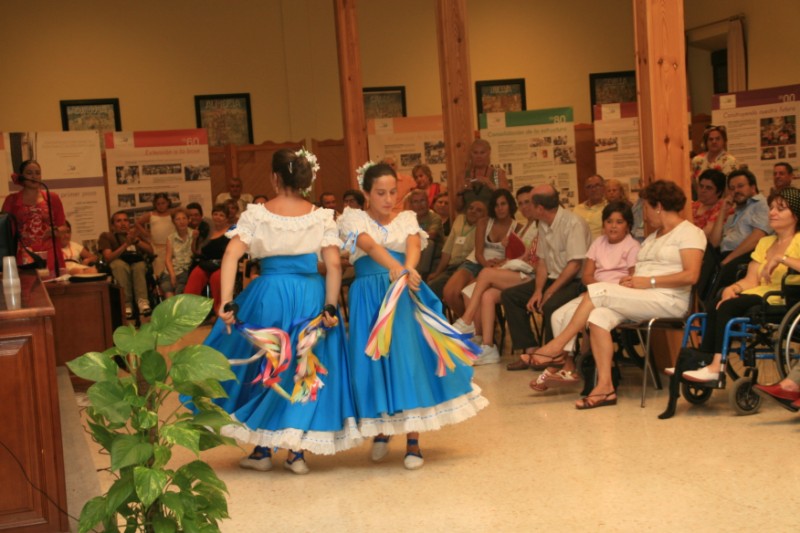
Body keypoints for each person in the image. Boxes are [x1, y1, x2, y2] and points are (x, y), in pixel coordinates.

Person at [209, 148, 359, 474]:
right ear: (306, 181)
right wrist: (330, 306)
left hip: (269, 294)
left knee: (269, 365)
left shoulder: (257, 214)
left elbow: (231, 255)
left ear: (274, 178)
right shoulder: (321, 216)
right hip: (309, 294)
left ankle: (263, 451)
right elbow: (333, 264)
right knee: (303, 368)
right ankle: (296, 454)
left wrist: (226, 301)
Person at [338, 162, 487, 470]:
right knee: (373, 362)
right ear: (366, 193)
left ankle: (413, 440)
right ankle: (381, 429)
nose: (388, 199)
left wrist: (408, 268)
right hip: (369, 295)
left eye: (393, 192)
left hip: (402, 291)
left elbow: (413, 245)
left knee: (407, 359)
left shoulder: (406, 218)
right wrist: (396, 267)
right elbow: (367, 244)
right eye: (380, 193)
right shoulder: (352, 217)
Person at [530, 180, 705, 409]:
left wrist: (647, 281)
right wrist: (632, 282)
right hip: (644, 296)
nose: (645, 213)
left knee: (599, 291)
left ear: (658, 206)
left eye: (646, 207)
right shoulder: (653, 237)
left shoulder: (690, 233)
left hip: (669, 300)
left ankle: (556, 348)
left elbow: (691, 276)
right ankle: (605, 388)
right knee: (598, 316)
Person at [680, 188, 800, 386]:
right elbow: (751, 280)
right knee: (716, 303)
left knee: (729, 307)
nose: (772, 213)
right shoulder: (765, 242)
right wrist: (734, 287)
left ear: (795, 214)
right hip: (759, 293)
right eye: (771, 208)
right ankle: (702, 361)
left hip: (784, 297)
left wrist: (782, 258)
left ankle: (717, 366)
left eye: (780, 209)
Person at [530, 202, 640, 391]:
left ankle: (562, 365)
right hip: (593, 292)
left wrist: (605, 291)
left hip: (616, 296)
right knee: (558, 314)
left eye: (619, 222)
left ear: (628, 225)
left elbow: (632, 278)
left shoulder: (632, 246)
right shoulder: (598, 243)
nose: (613, 226)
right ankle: (567, 364)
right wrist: (596, 289)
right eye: (609, 221)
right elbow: (588, 275)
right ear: (603, 224)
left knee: (573, 316)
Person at [502, 185, 592, 369]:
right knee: (510, 296)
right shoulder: (543, 224)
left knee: (551, 304)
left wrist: (549, 291)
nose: (526, 208)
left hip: (575, 282)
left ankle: (552, 356)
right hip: (553, 277)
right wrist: (538, 290)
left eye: (530, 204)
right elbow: (542, 261)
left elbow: (574, 265)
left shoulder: (574, 223)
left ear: (540, 208)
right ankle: (531, 350)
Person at [452, 186, 539, 365]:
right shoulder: (524, 228)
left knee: (485, 274)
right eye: (521, 203)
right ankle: (488, 346)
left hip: (531, 276)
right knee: (486, 295)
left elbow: (537, 259)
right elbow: (519, 255)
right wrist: (506, 258)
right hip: (517, 271)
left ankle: (466, 320)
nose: (524, 207)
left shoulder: (540, 225)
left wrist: (510, 261)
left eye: (527, 202)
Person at [443, 190, 515, 318]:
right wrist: (486, 265)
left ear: (510, 205)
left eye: (503, 204)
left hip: (497, 268)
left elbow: (514, 256)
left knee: (469, 293)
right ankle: (471, 326)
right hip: (475, 262)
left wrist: (499, 264)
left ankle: (476, 328)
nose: (500, 208)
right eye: (496, 205)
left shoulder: (517, 227)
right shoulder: (484, 222)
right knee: (450, 293)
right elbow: (478, 253)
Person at [706, 168, 771, 295]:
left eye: (740, 186)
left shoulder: (761, 204)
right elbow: (714, 242)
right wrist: (723, 211)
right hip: (724, 255)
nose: (736, 191)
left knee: (716, 282)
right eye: (732, 188)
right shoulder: (735, 213)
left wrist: (727, 260)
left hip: (747, 255)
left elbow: (758, 237)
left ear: (753, 187)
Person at [3, 160, 66, 274]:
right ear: (22, 176)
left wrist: (54, 230)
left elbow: (63, 227)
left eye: (37, 173)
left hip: (50, 253)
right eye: (29, 173)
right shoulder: (11, 200)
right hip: (24, 254)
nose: (34, 176)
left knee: (53, 288)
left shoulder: (52, 197)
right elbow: (4, 232)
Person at [427, 200, 487, 300]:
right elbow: (447, 250)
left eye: (478, 210)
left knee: (444, 289)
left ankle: (464, 315)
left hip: (470, 268)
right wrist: (437, 272)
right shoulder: (459, 220)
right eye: (471, 208)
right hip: (452, 267)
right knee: (431, 286)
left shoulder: (485, 227)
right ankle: (440, 315)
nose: (473, 211)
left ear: (485, 215)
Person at [98, 211, 154, 318]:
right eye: (118, 221)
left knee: (139, 265)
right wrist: (126, 244)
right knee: (119, 265)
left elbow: (151, 251)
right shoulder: (107, 236)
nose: (123, 223)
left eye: (125, 220)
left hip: (136, 264)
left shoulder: (135, 235)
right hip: (119, 265)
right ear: (113, 226)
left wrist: (136, 241)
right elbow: (108, 257)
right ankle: (126, 303)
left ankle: (142, 302)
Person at [184, 204, 231, 317]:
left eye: (221, 215)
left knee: (216, 278)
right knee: (195, 275)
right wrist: (195, 239)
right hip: (207, 263)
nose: (217, 217)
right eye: (215, 214)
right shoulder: (207, 230)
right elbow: (197, 251)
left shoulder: (232, 231)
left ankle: (219, 311)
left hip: (224, 265)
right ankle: (186, 312)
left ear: (226, 218)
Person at [135, 192, 175, 277]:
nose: (161, 206)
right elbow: (138, 223)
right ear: (155, 205)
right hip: (157, 247)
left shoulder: (172, 213)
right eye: (158, 204)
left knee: (172, 270)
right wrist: (145, 233)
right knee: (159, 271)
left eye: (163, 203)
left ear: (168, 203)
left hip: (171, 246)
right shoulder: (151, 214)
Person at [462, 139, 510, 208]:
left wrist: (490, 185)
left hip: (491, 217)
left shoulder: (498, 174)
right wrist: (461, 191)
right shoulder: (463, 175)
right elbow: (458, 206)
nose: (479, 156)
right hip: (470, 217)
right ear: (471, 154)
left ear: (489, 153)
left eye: (482, 153)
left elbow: (507, 199)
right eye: (475, 153)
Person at [158, 208, 193, 298]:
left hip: (187, 270)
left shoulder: (194, 234)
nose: (181, 222)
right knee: (166, 286)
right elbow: (168, 259)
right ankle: (171, 311)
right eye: (178, 219)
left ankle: (178, 308)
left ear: (189, 220)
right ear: (173, 222)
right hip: (172, 269)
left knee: (180, 288)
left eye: (184, 218)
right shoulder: (171, 238)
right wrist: (172, 274)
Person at [692, 168, 727, 238]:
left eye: (709, 188)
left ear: (719, 192)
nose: (703, 190)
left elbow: (704, 235)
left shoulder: (721, 209)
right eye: (701, 186)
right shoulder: (692, 205)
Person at [572, 175, 607, 239]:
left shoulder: (609, 209)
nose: (593, 189)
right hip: (579, 246)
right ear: (585, 191)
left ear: (604, 188)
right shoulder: (577, 209)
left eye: (597, 186)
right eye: (589, 187)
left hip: (600, 247)